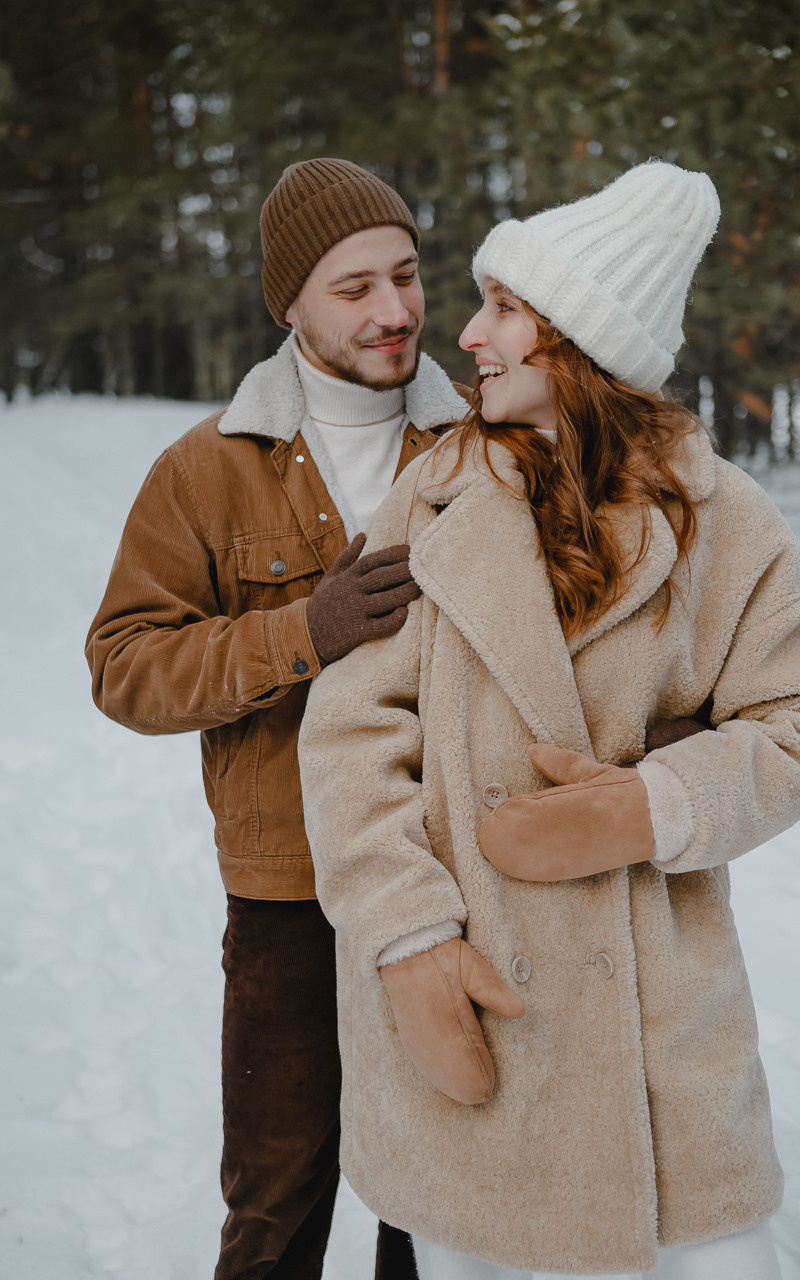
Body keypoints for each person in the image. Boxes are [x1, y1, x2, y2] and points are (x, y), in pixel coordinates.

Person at [297, 161, 800, 1280]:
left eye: (503, 308)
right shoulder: (432, 496)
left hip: (659, 1034)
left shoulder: (721, 518)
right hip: (474, 1001)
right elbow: (352, 731)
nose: (468, 331)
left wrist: (656, 806)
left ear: (579, 340)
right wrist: (409, 944)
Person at [86, 158, 472, 1280]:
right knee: (277, 1196)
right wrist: (303, 627)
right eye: (353, 288)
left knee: (440, 1200)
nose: (395, 310)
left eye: (405, 275)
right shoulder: (204, 471)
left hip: (454, 880)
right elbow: (125, 668)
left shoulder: (486, 446)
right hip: (287, 890)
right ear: (289, 302)